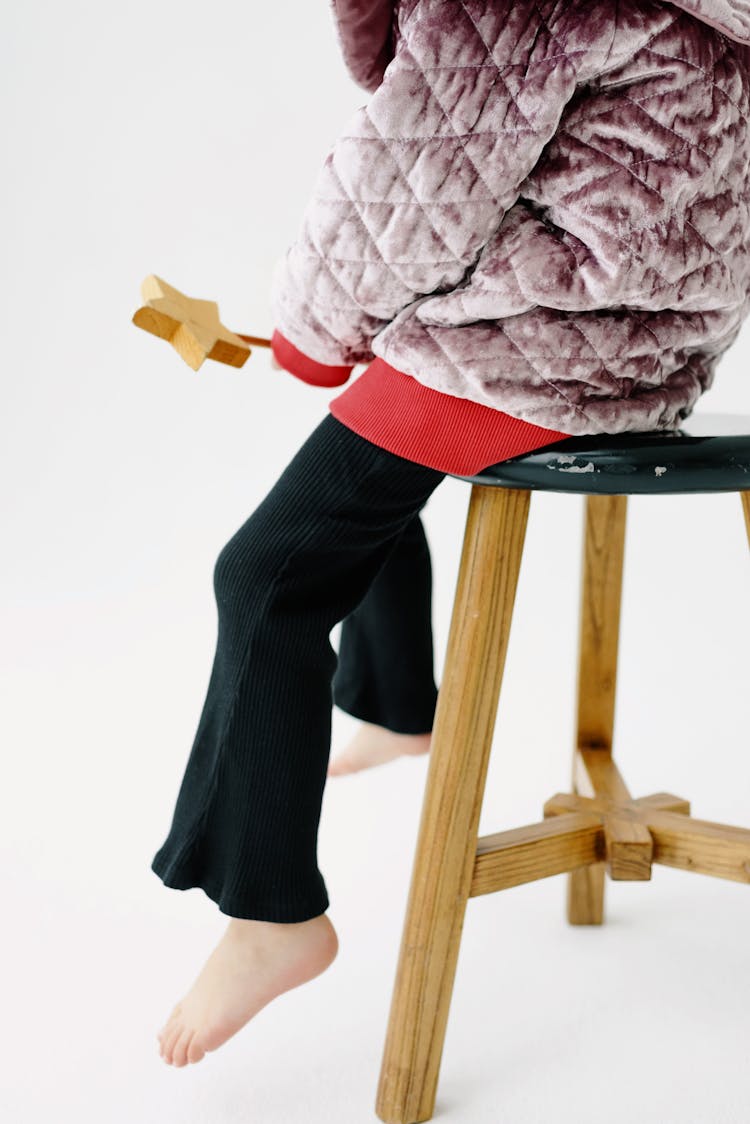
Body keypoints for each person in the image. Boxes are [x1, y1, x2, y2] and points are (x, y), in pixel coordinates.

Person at [154, 0, 750, 1068]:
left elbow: (416, 174)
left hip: (535, 351)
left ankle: (272, 909)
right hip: (655, 357)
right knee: (373, 448)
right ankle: (392, 700)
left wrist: (309, 327)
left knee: (264, 576)